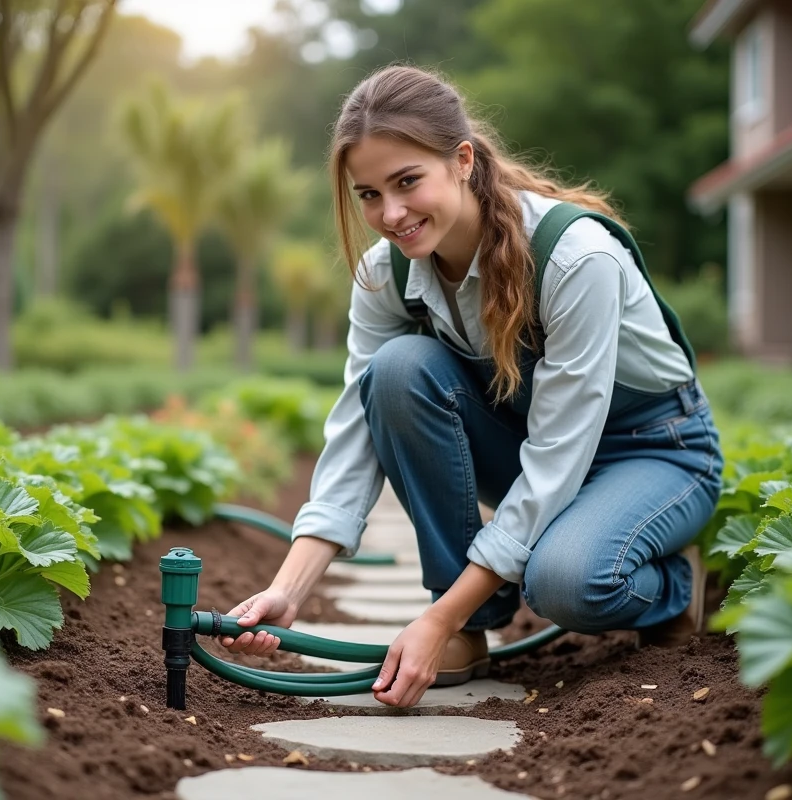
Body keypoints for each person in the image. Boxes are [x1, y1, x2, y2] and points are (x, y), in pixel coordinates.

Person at [219, 64, 724, 709]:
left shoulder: (576, 260)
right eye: (368, 194)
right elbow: (355, 433)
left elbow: (557, 457)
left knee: (566, 584)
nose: (391, 214)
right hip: (528, 438)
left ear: (461, 160)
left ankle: (676, 585)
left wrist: (437, 622)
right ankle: (475, 624)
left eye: (408, 182)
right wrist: (289, 588)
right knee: (397, 371)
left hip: (655, 448)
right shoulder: (388, 274)